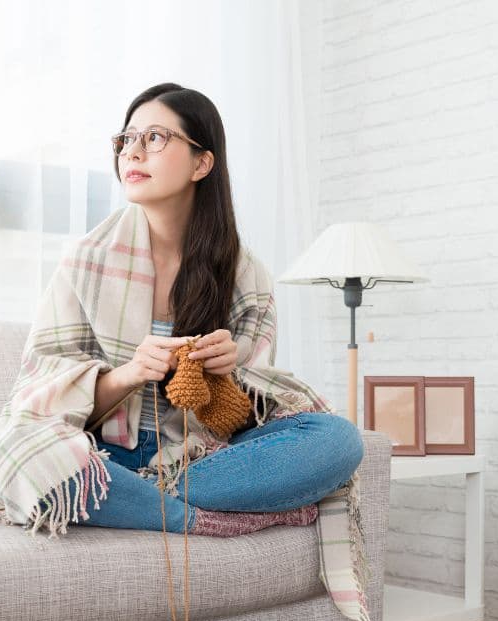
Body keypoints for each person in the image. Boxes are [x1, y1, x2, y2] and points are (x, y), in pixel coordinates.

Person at [59, 82, 365, 537]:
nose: (133, 153)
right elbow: (46, 401)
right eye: (127, 139)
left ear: (202, 163)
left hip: (201, 458)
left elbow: (240, 422)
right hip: (105, 454)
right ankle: (203, 517)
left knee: (338, 441)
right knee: (42, 467)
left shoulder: (245, 273)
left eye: (155, 138)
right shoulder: (84, 262)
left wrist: (231, 369)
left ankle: (144, 502)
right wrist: (130, 372)